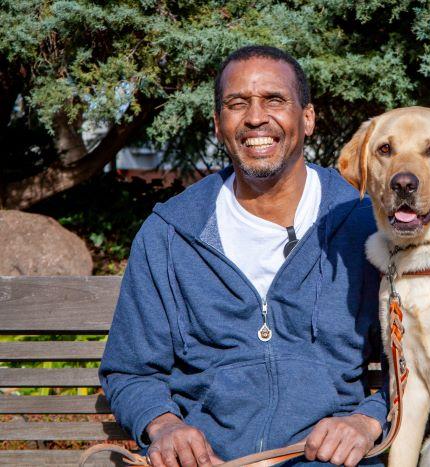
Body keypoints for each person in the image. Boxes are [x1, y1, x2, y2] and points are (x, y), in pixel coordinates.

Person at [99, 45, 387, 467]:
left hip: (327, 459)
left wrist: (366, 420)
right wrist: (164, 427)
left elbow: (421, 365)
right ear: (219, 125)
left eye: (274, 100)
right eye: (238, 104)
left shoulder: (364, 225)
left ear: (307, 118)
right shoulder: (170, 234)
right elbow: (129, 370)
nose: (255, 117)